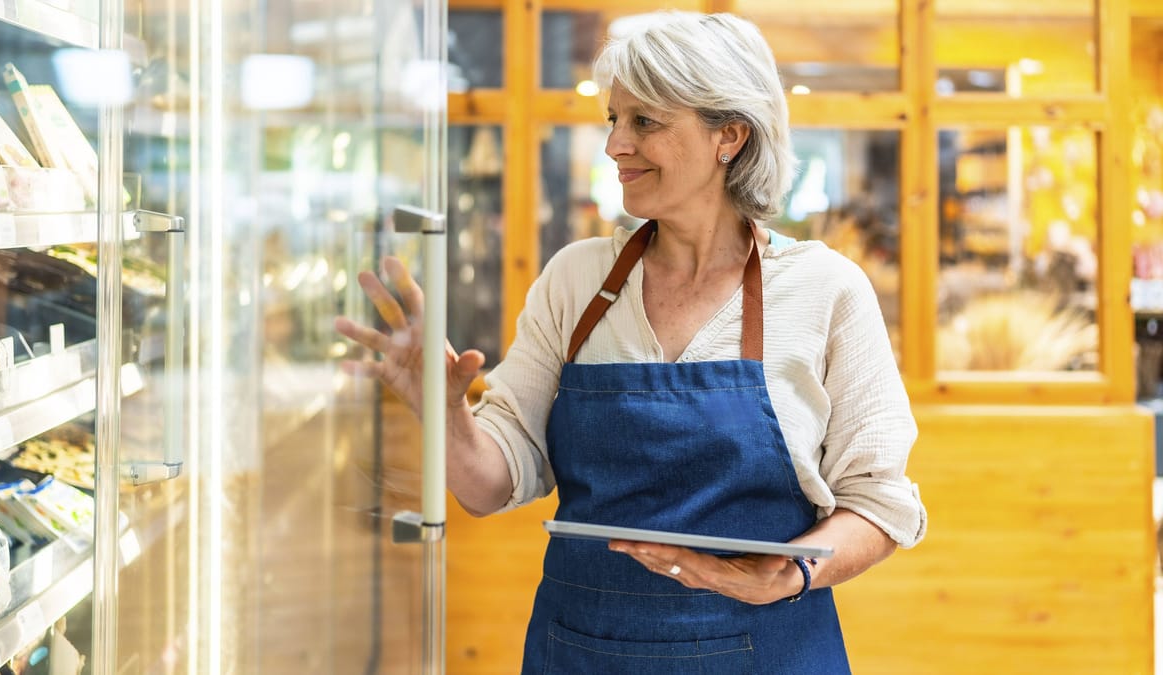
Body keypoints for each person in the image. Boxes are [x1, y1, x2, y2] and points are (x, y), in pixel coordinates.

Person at [335, 10, 925, 673]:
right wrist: (444, 414)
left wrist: (789, 573)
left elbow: (879, 504)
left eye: (645, 122)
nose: (615, 144)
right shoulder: (576, 279)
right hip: (580, 650)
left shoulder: (825, 290)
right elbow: (488, 484)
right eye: (613, 119)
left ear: (729, 135)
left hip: (767, 648)